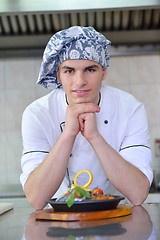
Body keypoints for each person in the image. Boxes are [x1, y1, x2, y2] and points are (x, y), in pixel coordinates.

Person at [20, 26, 153, 209]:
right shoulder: (37, 114)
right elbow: (36, 198)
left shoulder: (130, 109)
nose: (80, 81)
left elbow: (138, 194)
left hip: (118, 224)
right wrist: (68, 133)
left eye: (90, 70)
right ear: (58, 75)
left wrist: (94, 137)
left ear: (104, 72)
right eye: (69, 71)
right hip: (57, 225)